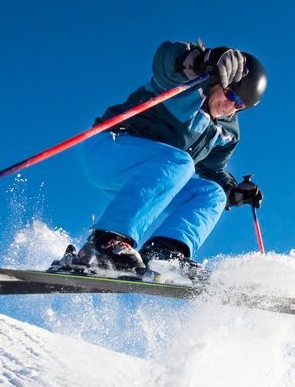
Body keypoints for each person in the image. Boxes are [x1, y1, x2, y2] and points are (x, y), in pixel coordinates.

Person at [52, 40, 266, 280]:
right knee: (181, 162)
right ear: (218, 80)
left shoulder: (227, 132)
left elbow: (213, 168)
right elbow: (166, 62)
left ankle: (165, 253)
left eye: (239, 105)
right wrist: (203, 60)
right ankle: (105, 243)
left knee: (211, 194)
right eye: (230, 94)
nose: (230, 106)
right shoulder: (188, 84)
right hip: (109, 148)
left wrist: (233, 190)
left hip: (149, 181)